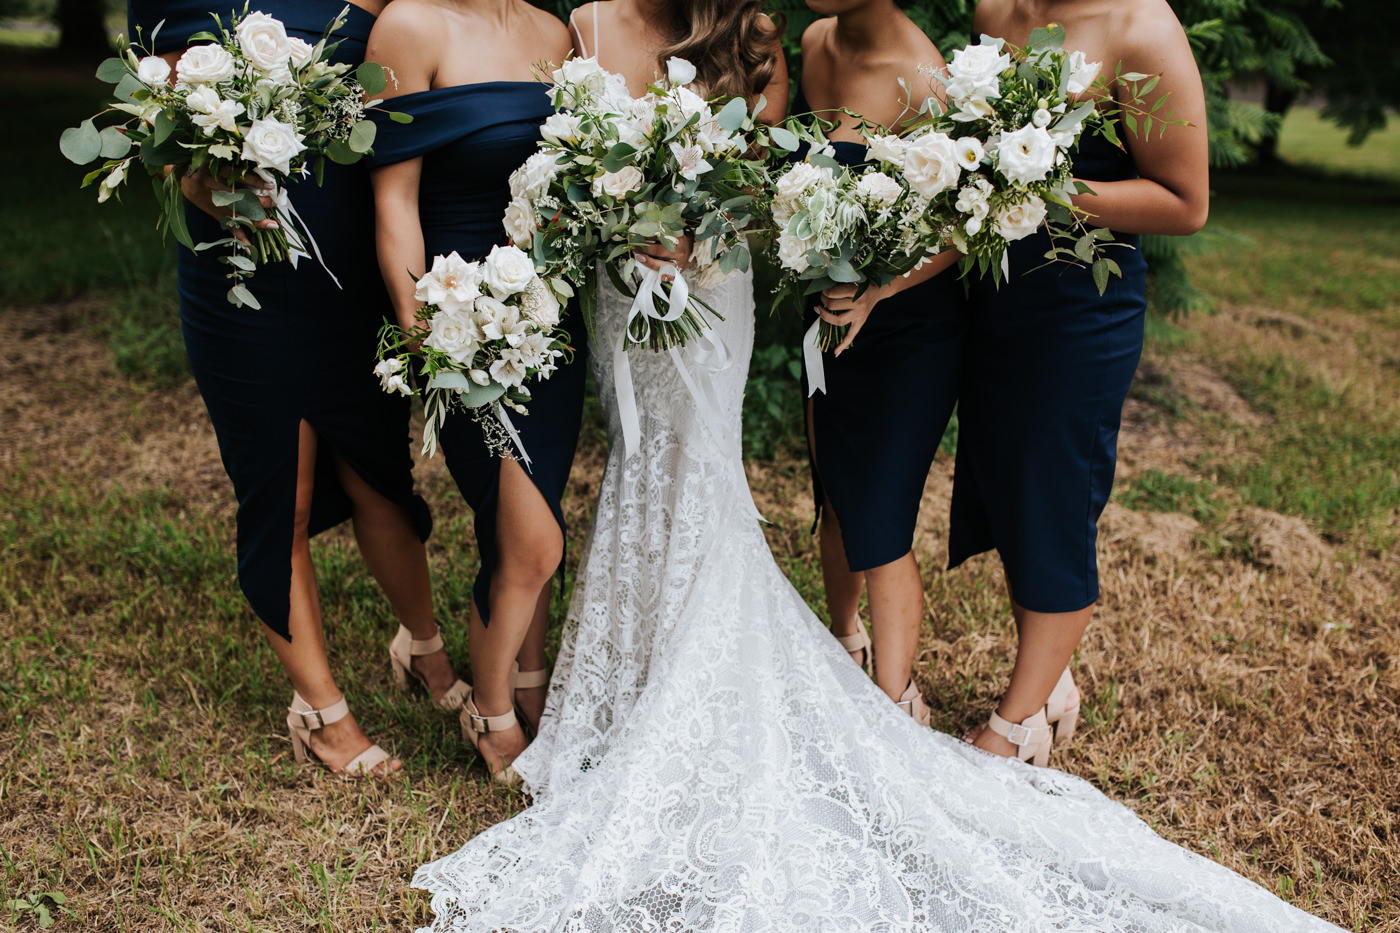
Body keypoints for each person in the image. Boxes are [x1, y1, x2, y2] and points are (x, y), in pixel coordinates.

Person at [405, 4, 1340, 931]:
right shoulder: (755, 35)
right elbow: (775, 180)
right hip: (688, 298)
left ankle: (983, 698)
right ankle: (663, 658)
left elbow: (849, 190)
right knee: (741, 481)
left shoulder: (838, 48)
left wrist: (939, 232)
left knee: (847, 489)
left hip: (802, 298)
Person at [126, 0, 446, 775]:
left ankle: (424, 648)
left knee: (379, 476)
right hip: (241, 276)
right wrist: (214, 189)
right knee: (285, 490)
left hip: (348, 271)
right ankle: (323, 710)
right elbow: (153, 127)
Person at [949, 0, 1211, 766]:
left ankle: (1016, 722)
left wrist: (1043, 189)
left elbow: (1186, 204)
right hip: (997, 295)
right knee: (1005, 484)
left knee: (1055, 497)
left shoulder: (1141, 28)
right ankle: (1053, 680)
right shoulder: (994, 7)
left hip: (1082, 308)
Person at [366, 0, 590, 785]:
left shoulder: (555, 33)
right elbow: (393, 199)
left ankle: (531, 681)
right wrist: (427, 328)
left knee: (527, 517)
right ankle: (490, 711)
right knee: (534, 540)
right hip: (459, 320)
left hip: (548, 319)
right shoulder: (410, 27)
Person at [796, 0, 968, 723]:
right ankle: (845, 634)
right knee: (834, 491)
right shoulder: (811, 44)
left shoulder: (926, 81)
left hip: (911, 327)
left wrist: (878, 289)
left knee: (883, 515)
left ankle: (897, 704)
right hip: (829, 315)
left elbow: (966, 225)